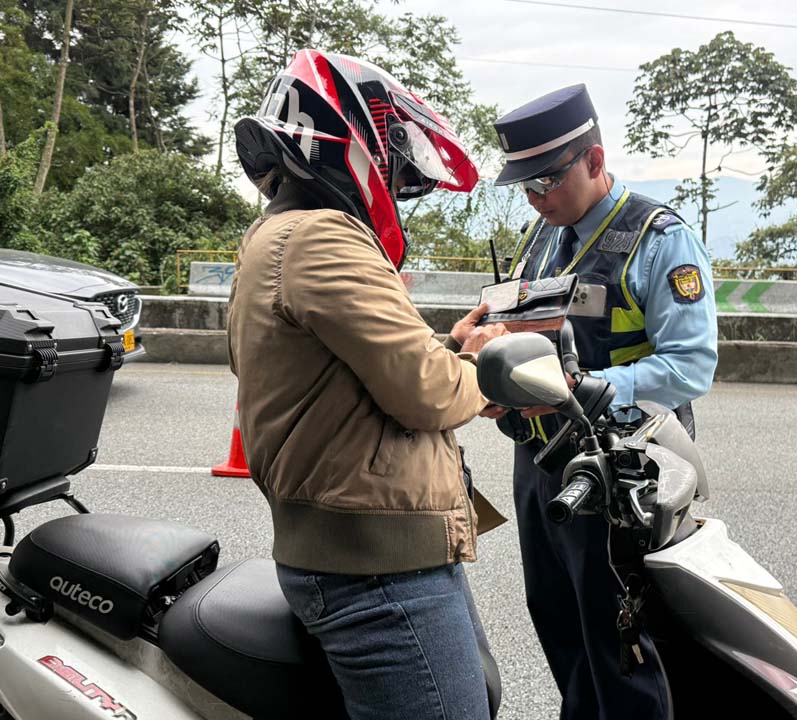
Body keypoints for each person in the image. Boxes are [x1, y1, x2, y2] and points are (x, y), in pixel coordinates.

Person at [228, 49, 506, 720]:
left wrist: (448, 351)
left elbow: (342, 377)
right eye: (393, 165)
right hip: (377, 571)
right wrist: (481, 367)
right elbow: (428, 394)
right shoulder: (322, 238)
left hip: (366, 552)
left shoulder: (277, 235)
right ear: (348, 142)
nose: (397, 183)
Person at [490, 84, 718, 719]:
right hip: (543, 462)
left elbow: (692, 364)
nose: (536, 198)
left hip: (624, 473)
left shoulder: (658, 237)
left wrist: (583, 388)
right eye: (526, 187)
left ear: (594, 159)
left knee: (625, 640)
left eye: (548, 182)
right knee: (559, 622)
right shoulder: (542, 234)